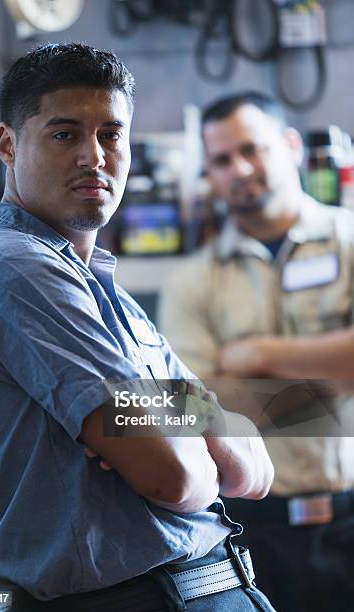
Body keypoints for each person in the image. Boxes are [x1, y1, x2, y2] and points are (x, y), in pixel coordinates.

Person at [0, 46, 275, 611]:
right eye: (64, 134)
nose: (93, 156)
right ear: (7, 143)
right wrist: (187, 427)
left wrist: (183, 419)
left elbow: (255, 472)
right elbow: (173, 475)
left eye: (111, 135)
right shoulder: (14, 268)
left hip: (201, 587)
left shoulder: (104, 289)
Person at [159, 91, 354, 612]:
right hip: (251, 532)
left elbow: (221, 402)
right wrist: (333, 382)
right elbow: (189, 410)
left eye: (254, 149)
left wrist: (259, 356)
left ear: (290, 146)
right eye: (221, 160)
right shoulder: (192, 282)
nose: (239, 168)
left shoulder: (350, 240)